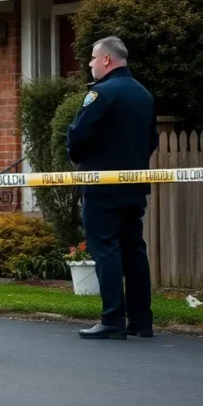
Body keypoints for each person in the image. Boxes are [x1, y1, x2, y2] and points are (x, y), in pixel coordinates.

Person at [67, 36, 158, 340]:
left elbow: (79, 135)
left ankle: (112, 319)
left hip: (101, 185)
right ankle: (141, 321)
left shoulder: (101, 93)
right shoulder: (143, 94)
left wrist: (78, 154)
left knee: (105, 248)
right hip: (134, 185)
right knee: (134, 250)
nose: (90, 63)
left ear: (106, 59)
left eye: (93, 58)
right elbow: (152, 139)